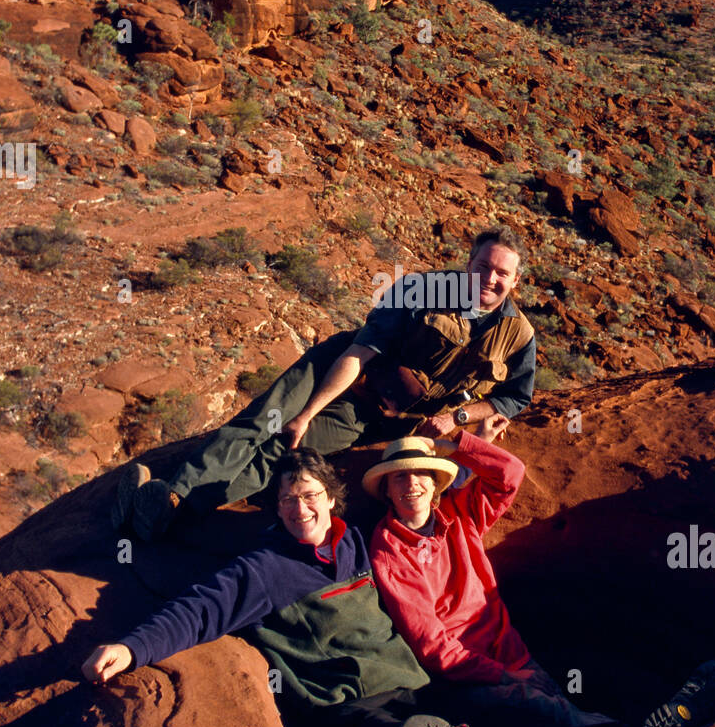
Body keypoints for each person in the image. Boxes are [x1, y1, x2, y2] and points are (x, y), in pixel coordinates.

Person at [84, 451, 524, 727]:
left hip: (409, 681)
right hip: (345, 702)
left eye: (310, 495)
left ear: (331, 498)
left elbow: (436, 497)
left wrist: (467, 440)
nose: (301, 509)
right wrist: (132, 648)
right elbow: (200, 611)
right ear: (276, 508)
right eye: (289, 500)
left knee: (473, 712)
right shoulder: (265, 569)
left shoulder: (356, 540)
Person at [364, 428, 715, 727]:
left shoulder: (459, 513)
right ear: (387, 491)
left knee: (574, 696)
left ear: (435, 486)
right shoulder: (389, 549)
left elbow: (509, 473)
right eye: (399, 477)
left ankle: (646, 724)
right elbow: (433, 646)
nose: (411, 484)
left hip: (514, 653)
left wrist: (460, 444)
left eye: (421, 475)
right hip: (467, 676)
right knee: (547, 713)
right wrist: (503, 676)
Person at [113, 226, 536, 541]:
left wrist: (458, 417)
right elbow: (360, 352)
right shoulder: (420, 289)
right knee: (266, 423)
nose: (490, 279)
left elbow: (515, 396)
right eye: (483, 267)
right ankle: (173, 495)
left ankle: (172, 515)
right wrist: (308, 411)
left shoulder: (519, 335)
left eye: (502, 273)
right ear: (469, 264)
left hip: (385, 418)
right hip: (338, 368)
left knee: (284, 454)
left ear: (515, 281)